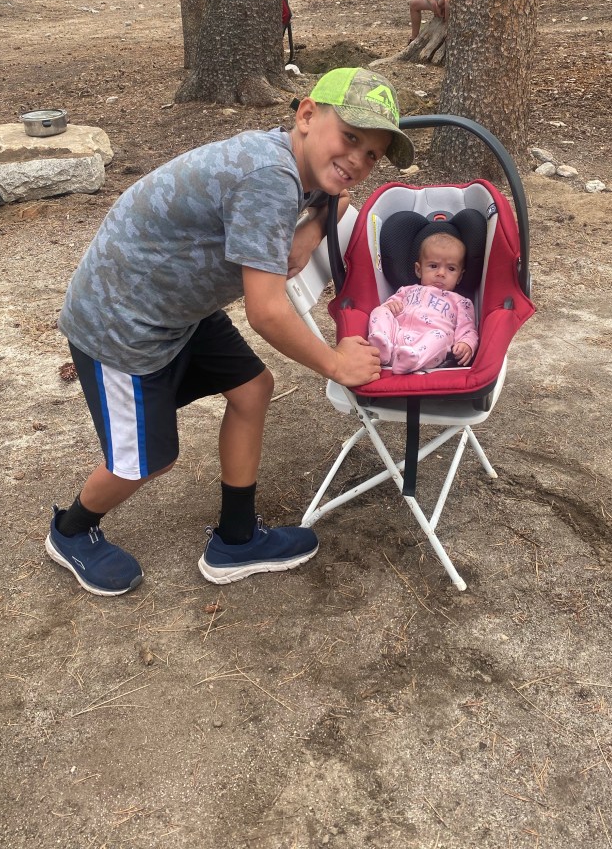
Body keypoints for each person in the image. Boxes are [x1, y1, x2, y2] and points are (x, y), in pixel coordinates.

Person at [45, 67, 415, 596]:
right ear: (307, 115)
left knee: (252, 388)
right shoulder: (269, 177)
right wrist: (335, 364)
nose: (358, 160)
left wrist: (310, 232)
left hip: (178, 309)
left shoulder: (300, 163)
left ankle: (236, 540)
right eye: (350, 137)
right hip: (121, 323)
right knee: (145, 462)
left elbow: (341, 197)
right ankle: (70, 530)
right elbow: (266, 312)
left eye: (372, 153)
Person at [367, 232, 478, 375]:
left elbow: (468, 328)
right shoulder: (407, 290)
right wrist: (390, 306)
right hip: (395, 338)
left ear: (460, 276)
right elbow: (390, 306)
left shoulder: (460, 302)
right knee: (379, 310)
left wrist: (466, 343)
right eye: (433, 266)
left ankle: (413, 359)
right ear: (419, 270)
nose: (441, 273)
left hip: (427, 348)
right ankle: (382, 348)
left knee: (440, 336)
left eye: (451, 268)